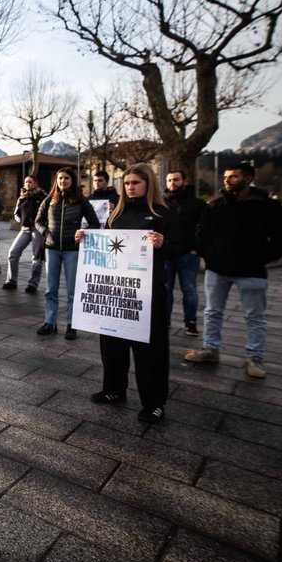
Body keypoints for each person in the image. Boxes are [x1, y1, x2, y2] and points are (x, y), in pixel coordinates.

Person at [80, 163, 178, 423]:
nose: (131, 187)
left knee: (150, 348)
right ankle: (114, 389)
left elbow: (180, 248)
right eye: (127, 183)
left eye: (136, 183)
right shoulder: (116, 215)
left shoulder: (162, 214)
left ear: (148, 184)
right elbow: (108, 247)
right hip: (117, 287)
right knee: (111, 341)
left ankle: (154, 402)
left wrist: (164, 243)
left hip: (148, 290)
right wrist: (86, 239)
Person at [187, 162, 282, 379]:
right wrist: (209, 254)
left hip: (251, 271)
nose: (227, 180)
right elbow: (201, 232)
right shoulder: (216, 205)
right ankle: (210, 350)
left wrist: (262, 257)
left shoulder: (266, 206)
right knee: (212, 312)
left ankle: (254, 357)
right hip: (217, 269)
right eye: (226, 177)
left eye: (234, 177)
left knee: (254, 316)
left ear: (248, 179)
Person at [35, 166, 100, 339]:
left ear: (72, 181)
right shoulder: (49, 200)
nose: (63, 181)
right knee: (50, 289)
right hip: (52, 249)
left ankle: (72, 325)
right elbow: (38, 221)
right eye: (60, 178)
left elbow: (94, 223)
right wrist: (45, 232)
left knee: (72, 290)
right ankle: (50, 322)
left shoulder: (81, 201)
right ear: (57, 181)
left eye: (66, 178)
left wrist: (83, 232)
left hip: (73, 250)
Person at [164, 170, 207, 338]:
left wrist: (197, 248)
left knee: (189, 289)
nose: (172, 183)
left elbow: (204, 228)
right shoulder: (162, 202)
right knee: (166, 289)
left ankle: (190, 322)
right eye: (169, 180)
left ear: (184, 181)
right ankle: (165, 320)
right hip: (167, 253)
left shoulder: (197, 204)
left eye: (176, 179)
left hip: (188, 254)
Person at [3, 174, 47, 293]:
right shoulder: (21, 198)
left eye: (30, 182)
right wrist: (20, 221)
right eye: (26, 182)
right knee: (12, 253)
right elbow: (16, 214)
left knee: (36, 258)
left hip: (37, 229)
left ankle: (33, 284)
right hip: (24, 229)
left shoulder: (43, 196)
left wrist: (43, 225)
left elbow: (48, 213)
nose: (27, 184)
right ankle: (11, 281)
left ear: (35, 183)